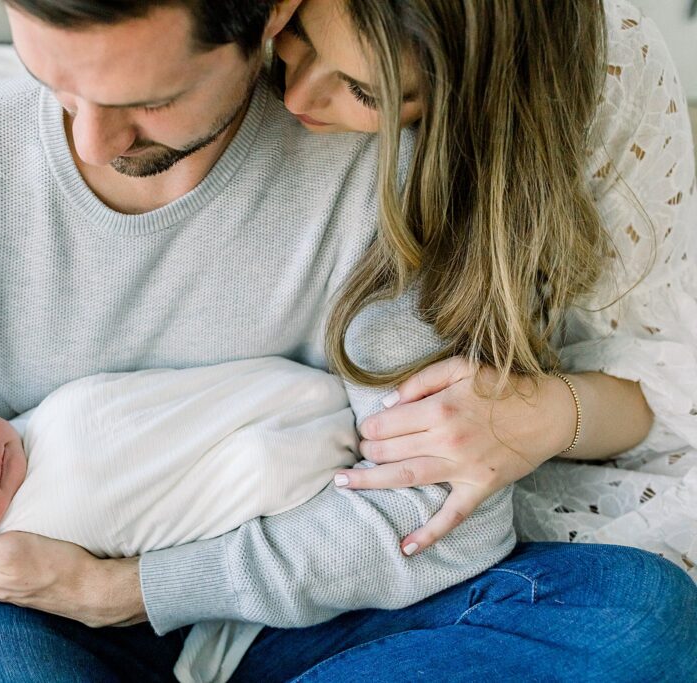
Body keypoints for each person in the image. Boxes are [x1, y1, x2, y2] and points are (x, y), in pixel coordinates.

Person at [0, 1, 695, 681]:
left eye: (148, 100)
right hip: (29, 609)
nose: (91, 139)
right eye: (55, 83)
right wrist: (32, 571)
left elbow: (441, 521)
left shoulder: (374, 162)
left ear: (268, 19)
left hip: (313, 608)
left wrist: (132, 587)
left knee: (639, 619)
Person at [280, 0, 697, 579]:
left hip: (499, 495)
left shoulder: (608, 64)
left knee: (646, 601)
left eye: (369, 93)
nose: (295, 96)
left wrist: (544, 413)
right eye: (296, 34)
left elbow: (663, 391)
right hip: (266, 495)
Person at [0, 357, 359, 682]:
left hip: (305, 427)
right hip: (296, 461)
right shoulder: (31, 529)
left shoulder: (42, 426)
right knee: (258, 463)